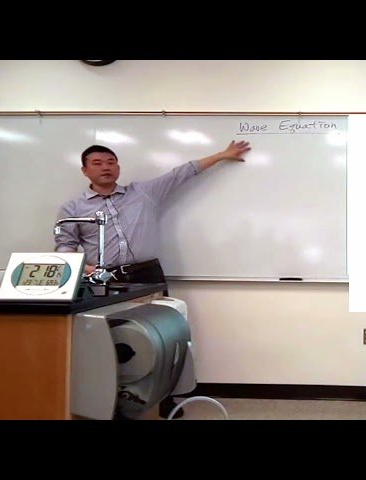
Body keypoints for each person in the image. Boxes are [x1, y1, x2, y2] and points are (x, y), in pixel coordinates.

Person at [55, 139, 251, 418]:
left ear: (118, 167)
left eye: (111, 162)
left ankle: (165, 400)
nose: (105, 167)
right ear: (85, 170)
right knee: (111, 340)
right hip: (102, 279)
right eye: (97, 163)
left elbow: (183, 172)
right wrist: (88, 270)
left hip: (146, 274)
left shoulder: (143, 192)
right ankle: (113, 399)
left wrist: (223, 155)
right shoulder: (73, 208)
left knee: (163, 335)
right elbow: (64, 247)